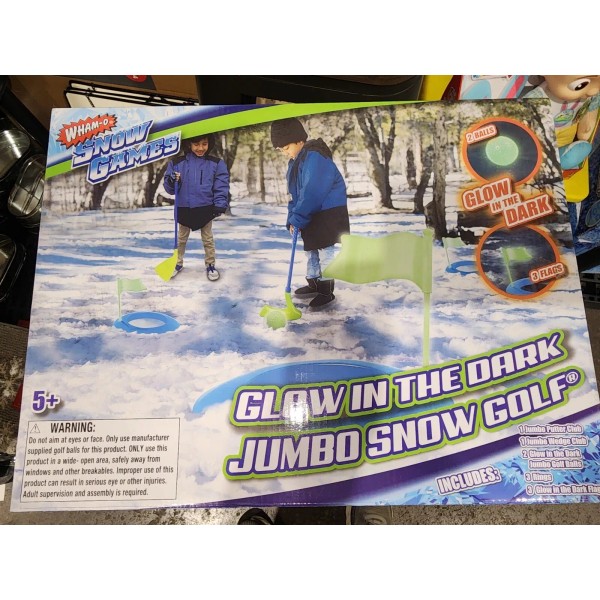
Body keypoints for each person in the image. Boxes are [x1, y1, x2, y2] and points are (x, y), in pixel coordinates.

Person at [270, 118, 349, 309]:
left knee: (325, 251)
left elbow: (312, 192)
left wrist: (298, 217)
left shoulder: (315, 158)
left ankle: (326, 290)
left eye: (286, 147)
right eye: (281, 150)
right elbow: (295, 195)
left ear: (299, 140)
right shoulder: (296, 162)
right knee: (311, 249)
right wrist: (292, 218)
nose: (285, 152)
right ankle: (313, 283)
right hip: (312, 212)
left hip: (327, 213)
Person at [163, 132, 229, 281]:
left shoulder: (216, 164)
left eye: (204, 144)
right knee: (181, 239)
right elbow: (169, 189)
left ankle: (210, 264)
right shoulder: (177, 164)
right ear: (189, 144)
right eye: (196, 144)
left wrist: (219, 204)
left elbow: (221, 186)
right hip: (184, 208)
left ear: (209, 144)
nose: (200, 148)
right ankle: (177, 263)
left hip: (205, 207)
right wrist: (172, 180)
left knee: (208, 239)